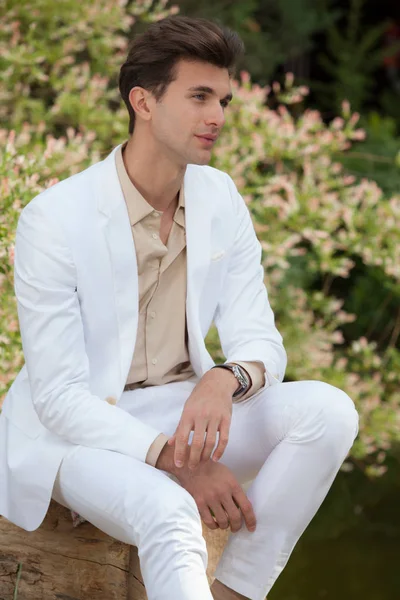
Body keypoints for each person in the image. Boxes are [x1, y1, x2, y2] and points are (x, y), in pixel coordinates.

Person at [0, 15, 359, 600]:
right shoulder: (54, 218)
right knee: (170, 511)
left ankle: (234, 590)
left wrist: (224, 377)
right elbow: (59, 398)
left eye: (223, 98)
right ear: (143, 101)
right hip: (73, 431)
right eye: (199, 97)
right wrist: (177, 461)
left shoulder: (220, 197)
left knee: (330, 411)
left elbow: (263, 343)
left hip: (174, 404)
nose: (217, 115)